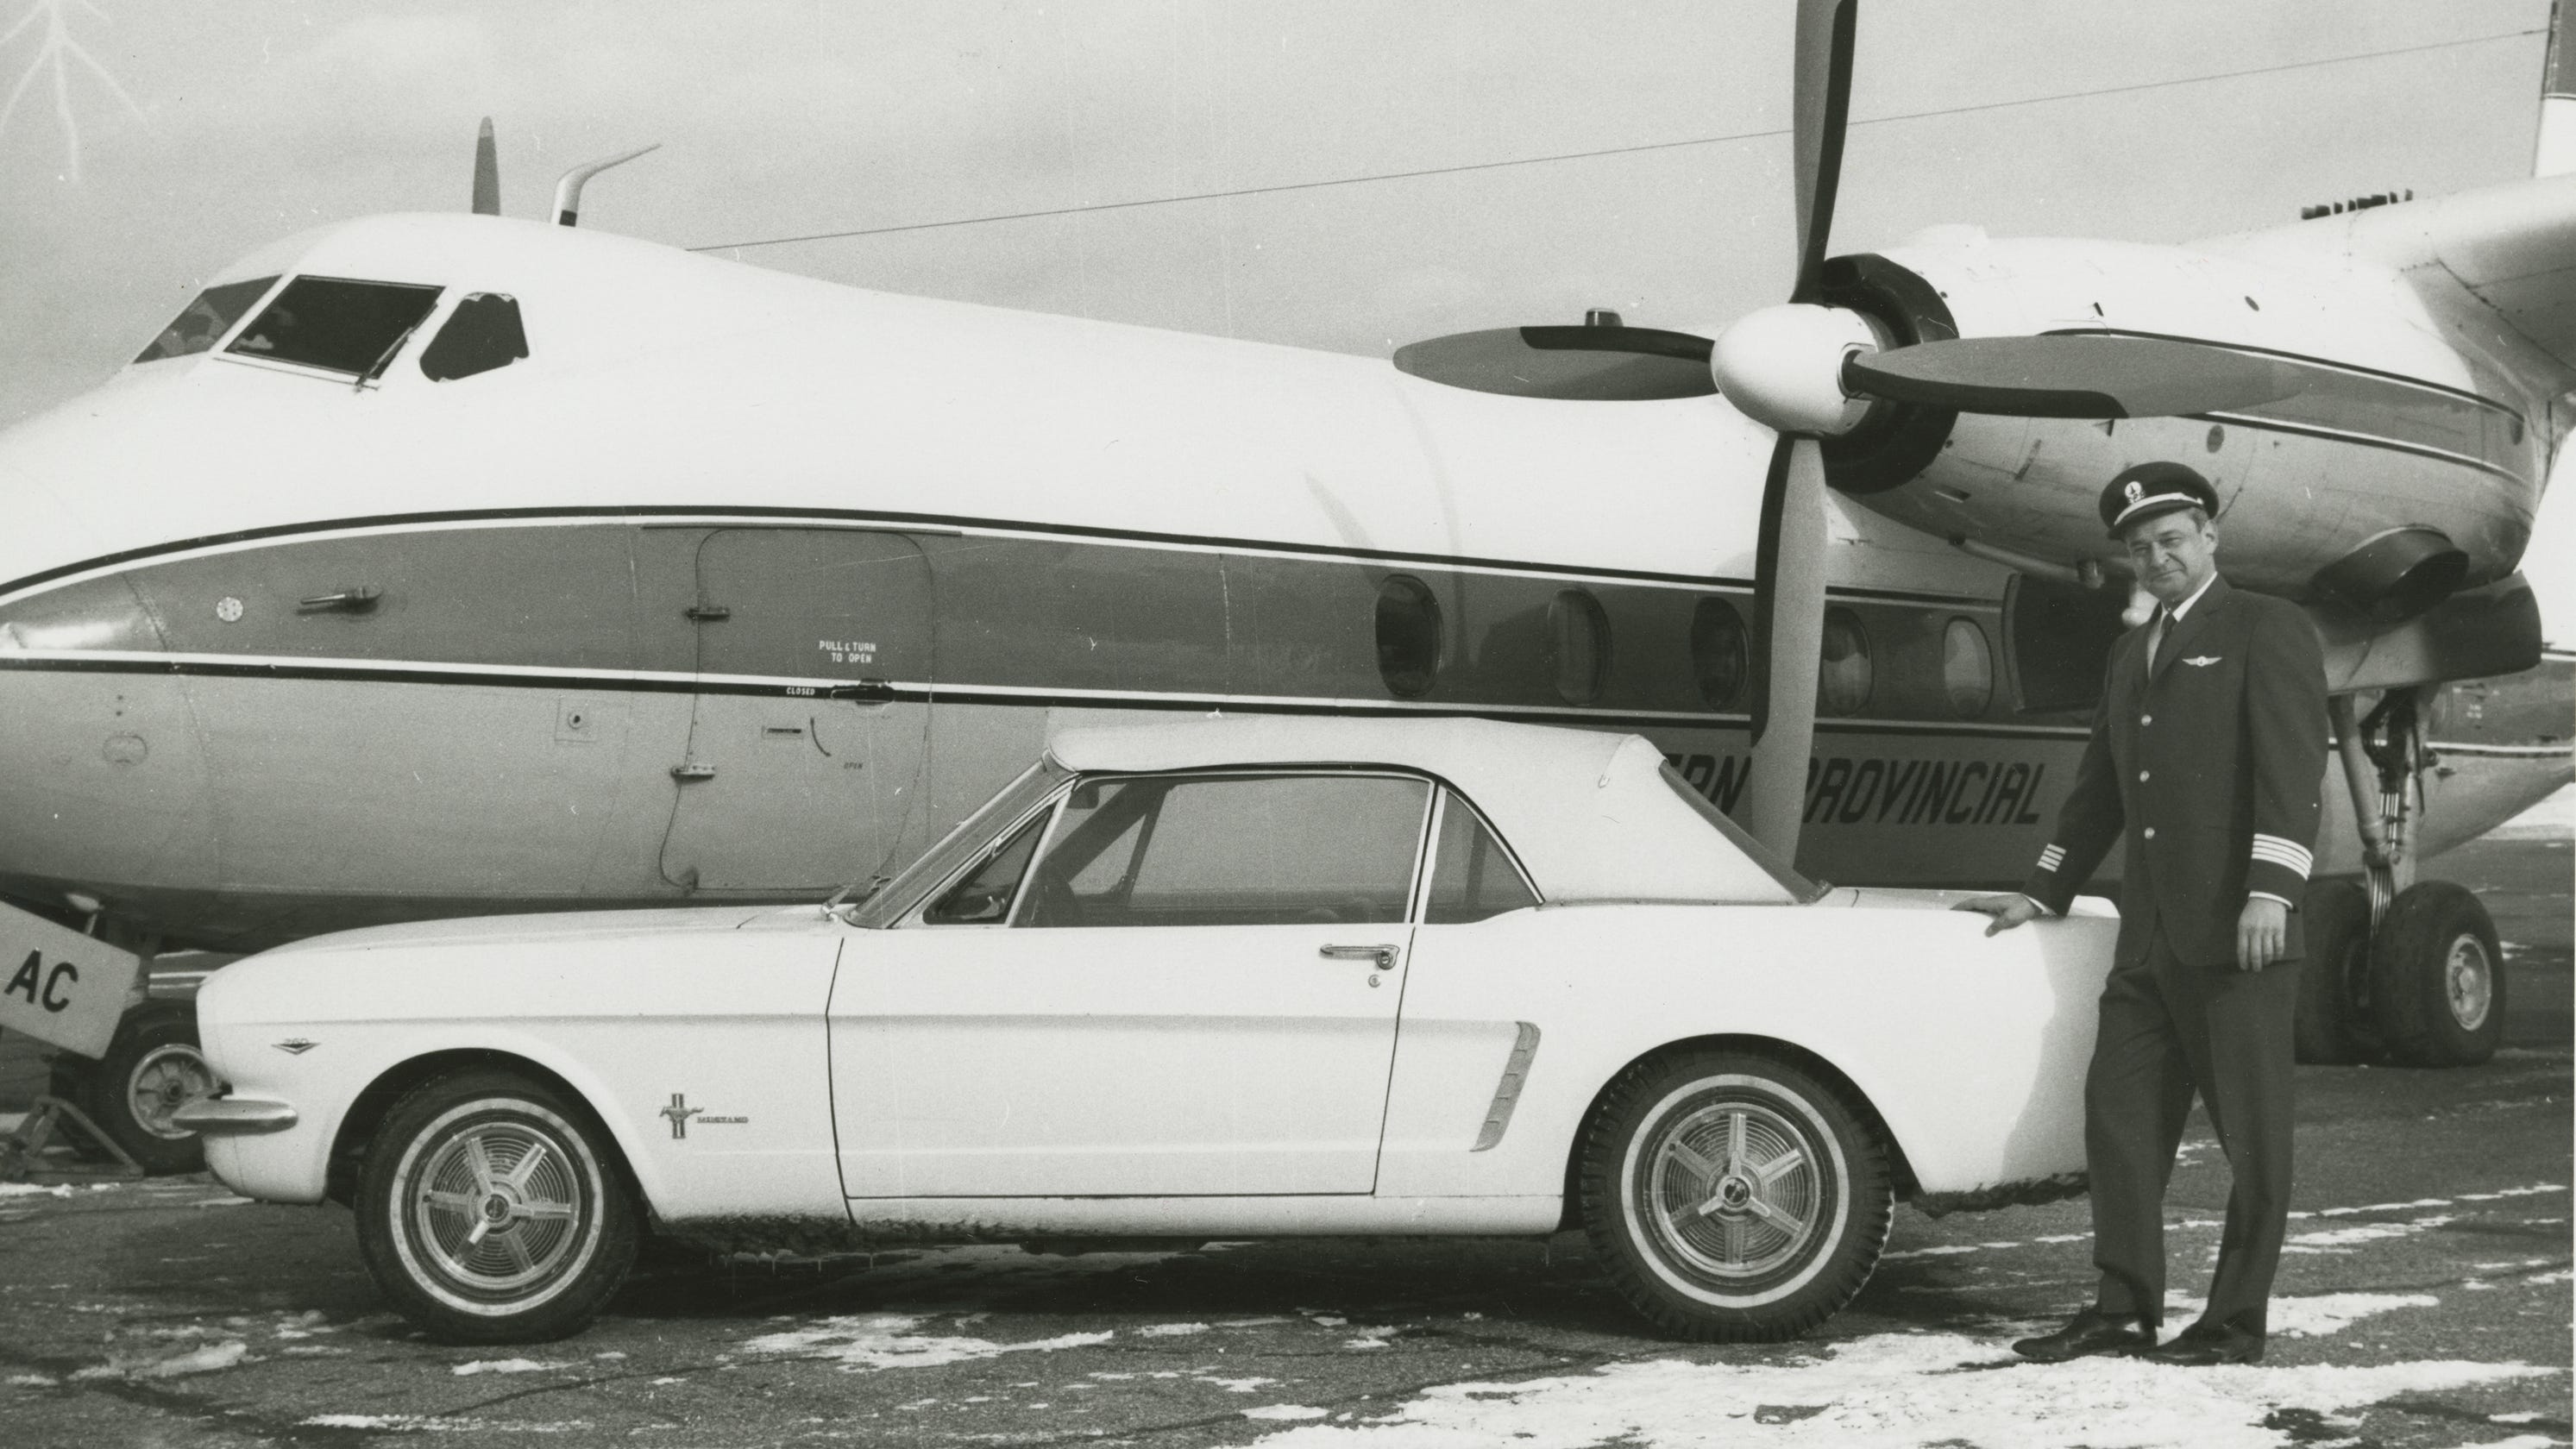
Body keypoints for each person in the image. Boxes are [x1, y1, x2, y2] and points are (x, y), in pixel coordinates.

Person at [1955, 461, 2328, 1367]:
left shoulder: (2263, 628)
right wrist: (2042, 886)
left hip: (2238, 932)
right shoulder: (2131, 653)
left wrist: (2270, 891)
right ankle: (2122, 1309)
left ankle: (2235, 1323)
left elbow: (2292, 771)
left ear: (2209, 537)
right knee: (2117, 1121)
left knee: (2253, 1141)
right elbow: (2099, 793)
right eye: (2137, 549)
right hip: (2150, 939)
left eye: (2170, 540)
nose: (2155, 558)